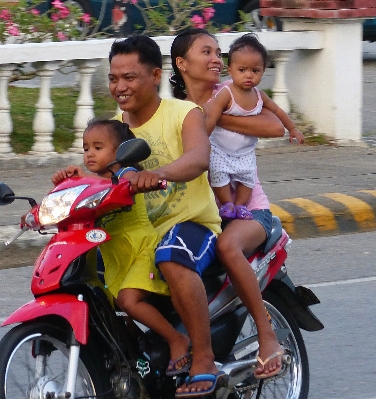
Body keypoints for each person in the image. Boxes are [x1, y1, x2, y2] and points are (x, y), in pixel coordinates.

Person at [170, 28, 303, 385]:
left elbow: (275, 126)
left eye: (217, 52)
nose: (217, 59)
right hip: (197, 212)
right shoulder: (169, 107)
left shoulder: (228, 94)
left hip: (248, 210)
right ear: (182, 64)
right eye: (207, 52)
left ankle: (266, 333)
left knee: (229, 247)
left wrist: (211, 116)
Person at [108, 34, 226, 397]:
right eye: (114, 78)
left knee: (172, 257)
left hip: (192, 224)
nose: (120, 87)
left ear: (155, 75)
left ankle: (203, 357)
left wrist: (158, 174)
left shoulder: (183, 113)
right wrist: (69, 182)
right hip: (144, 230)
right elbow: (103, 170)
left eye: (130, 77)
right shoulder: (116, 124)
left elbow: (197, 158)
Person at [51, 119, 195, 377]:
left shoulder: (125, 173)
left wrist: (139, 181)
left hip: (140, 250)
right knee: (109, 308)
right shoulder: (93, 183)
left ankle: (177, 340)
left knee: (129, 301)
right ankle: (138, 354)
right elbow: (76, 200)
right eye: (85, 149)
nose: (90, 153)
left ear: (120, 152)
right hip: (115, 259)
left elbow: (127, 180)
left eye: (98, 147)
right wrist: (67, 182)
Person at [204, 33, 305, 221]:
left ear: (263, 71)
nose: (248, 75)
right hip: (220, 149)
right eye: (242, 70)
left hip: (245, 152)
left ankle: (241, 205)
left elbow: (279, 112)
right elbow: (212, 117)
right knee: (218, 174)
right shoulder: (226, 93)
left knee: (247, 179)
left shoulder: (259, 96)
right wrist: (202, 139)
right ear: (231, 70)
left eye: (255, 70)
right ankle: (227, 203)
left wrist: (293, 128)